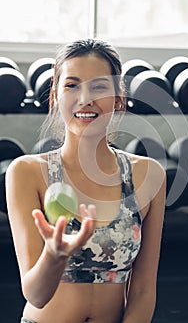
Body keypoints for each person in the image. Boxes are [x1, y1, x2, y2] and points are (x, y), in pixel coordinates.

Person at [6, 38, 166, 323]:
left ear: (118, 98)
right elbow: (35, 294)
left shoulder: (148, 174)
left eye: (99, 86)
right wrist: (55, 255)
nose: (85, 99)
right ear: (55, 96)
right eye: (72, 85)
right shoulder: (26, 172)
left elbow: (143, 290)